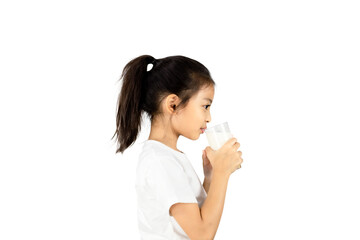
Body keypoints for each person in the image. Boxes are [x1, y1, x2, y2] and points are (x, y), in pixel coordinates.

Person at [112, 55, 243, 239]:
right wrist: (222, 173)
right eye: (205, 106)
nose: (209, 118)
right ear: (173, 104)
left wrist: (210, 178)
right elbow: (202, 234)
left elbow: (195, 216)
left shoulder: (166, 156)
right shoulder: (160, 161)